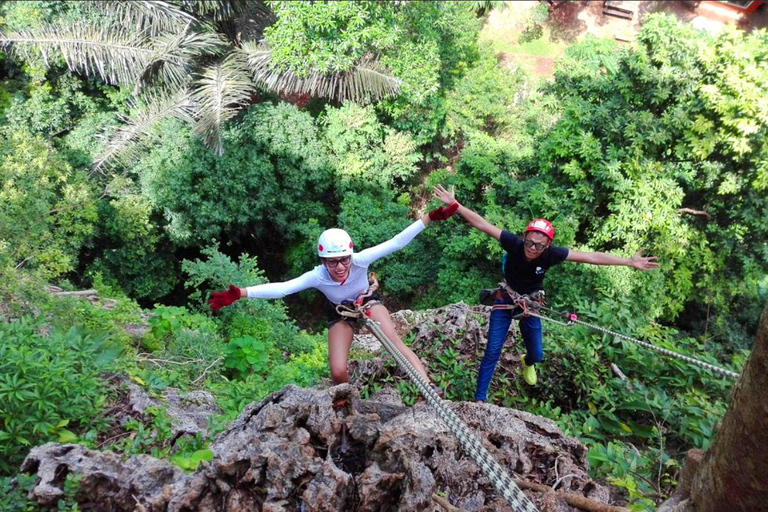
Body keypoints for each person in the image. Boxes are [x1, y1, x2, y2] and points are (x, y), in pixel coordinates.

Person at [432, 184, 658, 402]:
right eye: (529, 242)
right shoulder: (514, 243)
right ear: (525, 237)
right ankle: (479, 400)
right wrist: (455, 205)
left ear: (548, 245)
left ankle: (526, 362)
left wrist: (628, 261)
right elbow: (482, 224)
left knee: (537, 355)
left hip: (530, 304)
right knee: (492, 350)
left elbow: (592, 257)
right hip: (506, 297)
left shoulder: (551, 255)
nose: (532, 248)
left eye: (539, 246)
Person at [208, 202, 459, 393]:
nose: (339, 266)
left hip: (367, 301)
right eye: (332, 261)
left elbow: (395, 242)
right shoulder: (317, 276)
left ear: (350, 255)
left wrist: (428, 218)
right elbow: (284, 288)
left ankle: (428, 387)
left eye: (343, 259)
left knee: (393, 342)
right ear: (323, 261)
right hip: (339, 312)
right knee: (338, 369)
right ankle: (347, 401)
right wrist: (241, 293)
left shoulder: (360, 260)